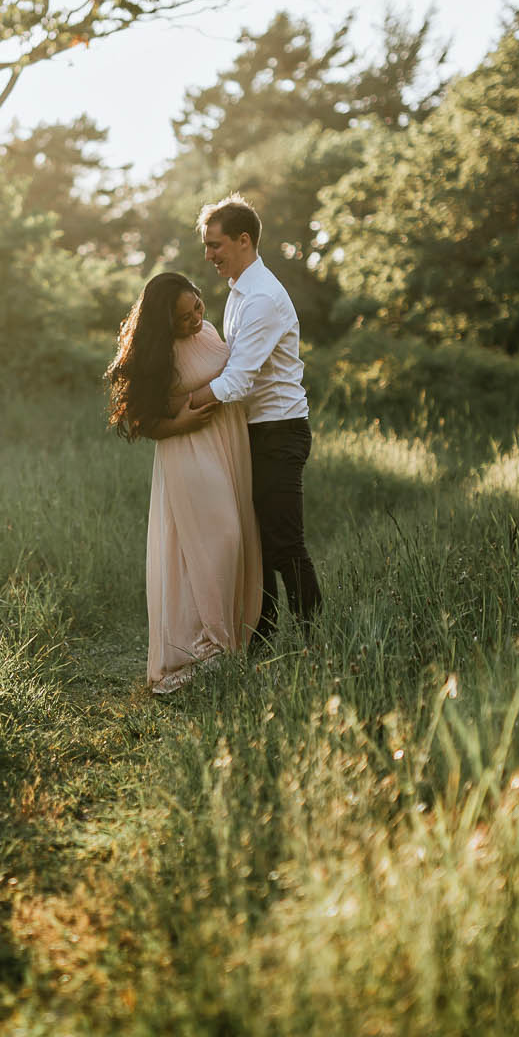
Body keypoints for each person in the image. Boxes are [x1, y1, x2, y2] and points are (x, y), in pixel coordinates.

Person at [104, 271, 262, 694]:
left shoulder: (209, 330)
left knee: (227, 541)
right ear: (164, 323)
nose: (194, 320)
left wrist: (194, 399)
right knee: (221, 538)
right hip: (189, 451)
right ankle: (200, 651)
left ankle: (224, 648)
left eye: (196, 307)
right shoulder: (158, 354)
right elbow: (143, 420)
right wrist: (183, 418)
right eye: (183, 318)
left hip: (227, 447)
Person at [184, 196, 323, 637]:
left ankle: (313, 640)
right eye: (206, 246)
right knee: (256, 546)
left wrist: (185, 402)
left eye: (215, 245)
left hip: (279, 431)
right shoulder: (240, 292)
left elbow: (237, 381)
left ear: (244, 240)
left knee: (283, 543)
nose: (208, 256)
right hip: (255, 432)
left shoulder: (263, 298)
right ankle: (261, 638)